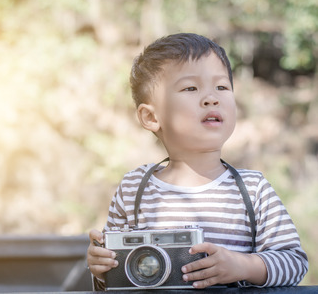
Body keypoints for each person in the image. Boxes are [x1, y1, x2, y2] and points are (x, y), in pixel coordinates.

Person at [86, 33, 308, 289]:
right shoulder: (134, 188)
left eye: (222, 87)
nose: (211, 98)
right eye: (191, 88)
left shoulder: (252, 189)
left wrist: (242, 265)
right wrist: (102, 269)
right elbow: (115, 286)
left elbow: (294, 263)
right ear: (150, 117)